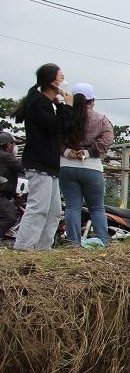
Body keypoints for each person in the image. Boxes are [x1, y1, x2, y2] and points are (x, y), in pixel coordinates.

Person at [12, 63, 74, 251]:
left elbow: (60, 127)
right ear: (53, 82)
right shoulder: (38, 102)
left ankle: (42, 248)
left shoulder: (46, 103)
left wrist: (60, 105)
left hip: (49, 165)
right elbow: (59, 127)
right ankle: (24, 247)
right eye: (62, 78)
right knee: (38, 208)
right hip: (39, 163)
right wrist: (67, 106)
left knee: (54, 212)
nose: (64, 82)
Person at [56, 82, 113, 247]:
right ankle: (102, 242)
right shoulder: (101, 118)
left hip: (66, 166)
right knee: (97, 208)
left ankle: (73, 243)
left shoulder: (65, 116)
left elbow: (55, 137)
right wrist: (88, 152)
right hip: (91, 166)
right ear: (92, 101)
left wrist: (67, 151)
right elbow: (108, 138)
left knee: (72, 207)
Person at [0, 132, 23, 241]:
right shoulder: (7, 156)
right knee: (9, 217)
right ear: (8, 145)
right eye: (13, 144)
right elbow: (23, 168)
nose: (14, 146)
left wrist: (14, 194)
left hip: (4, 194)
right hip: (1, 195)